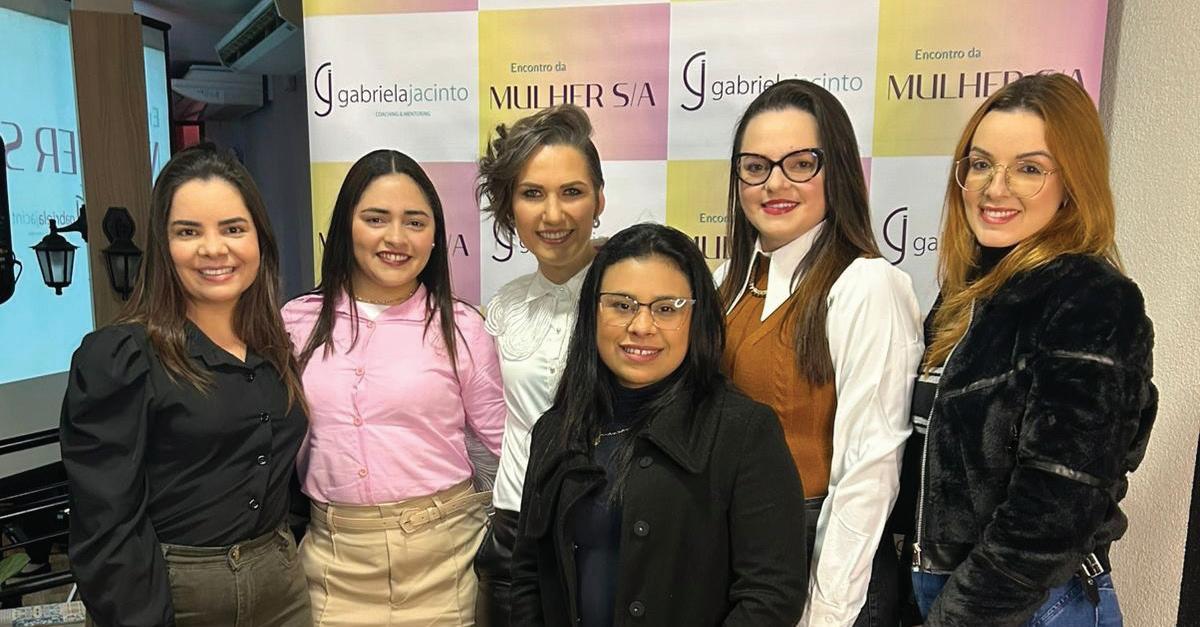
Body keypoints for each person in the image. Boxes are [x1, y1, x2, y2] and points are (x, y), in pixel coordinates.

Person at [907, 73, 1156, 626]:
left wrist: (958, 617)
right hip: (948, 590)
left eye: (1029, 168)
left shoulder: (1092, 300)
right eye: (981, 164)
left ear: (1073, 182)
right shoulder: (966, 296)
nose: (995, 188)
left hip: (1029, 606)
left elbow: (1055, 509)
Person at [60, 144, 311, 626]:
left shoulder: (274, 346)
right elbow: (106, 527)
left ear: (259, 239)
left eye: (233, 229)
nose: (213, 249)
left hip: (281, 587)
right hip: (174, 594)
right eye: (188, 232)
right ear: (163, 245)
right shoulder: (121, 356)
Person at [511, 222, 808, 626]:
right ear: (593, 312)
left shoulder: (743, 432)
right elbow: (528, 576)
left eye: (666, 309)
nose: (641, 326)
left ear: (696, 317)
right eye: (622, 305)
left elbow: (772, 594)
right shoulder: (556, 429)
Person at [716, 79, 923, 626]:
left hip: (823, 567)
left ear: (838, 171)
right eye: (755, 166)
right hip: (736, 563)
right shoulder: (725, 283)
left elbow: (870, 468)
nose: (774, 183)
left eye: (801, 163)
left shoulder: (866, 286)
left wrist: (825, 614)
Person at [282, 149, 505, 625]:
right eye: (376, 219)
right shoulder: (295, 323)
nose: (396, 238)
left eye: (415, 222)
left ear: (435, 236)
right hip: (333, 563)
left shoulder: (462, 327)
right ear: (346, 227)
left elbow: (503, 445)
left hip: (444, 561)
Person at [473, 103, 608, 624]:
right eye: (532, 194)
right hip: (515, 534)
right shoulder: (504, 306)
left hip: (607, 531)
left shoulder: (633, 294)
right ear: (510, 208)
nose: (553, 215)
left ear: (599, 198)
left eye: (571, 192)